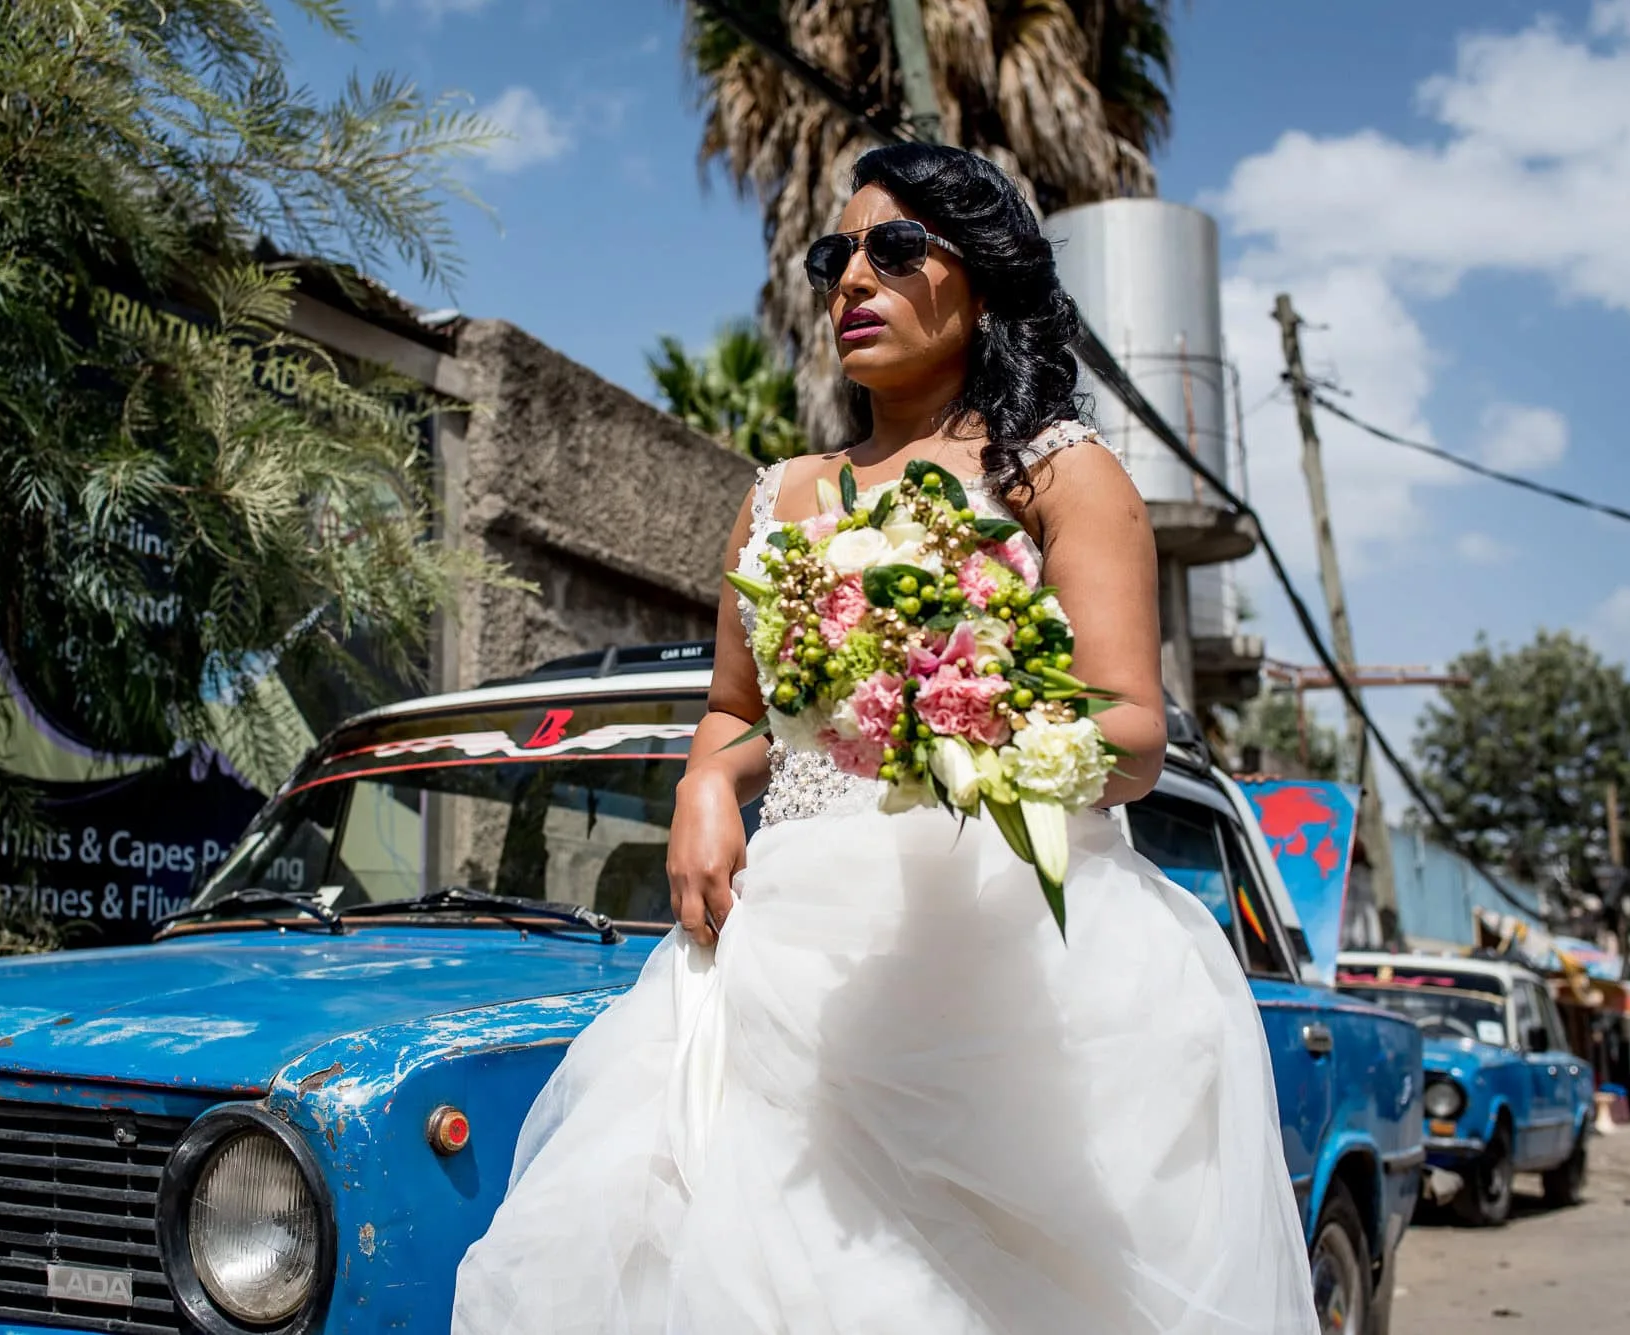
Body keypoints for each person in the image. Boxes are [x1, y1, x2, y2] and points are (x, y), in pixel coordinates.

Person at [452, 143, 1315, 1333]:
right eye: (834, 257)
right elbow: (738, 710)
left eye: (895, 248)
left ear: (981, 279)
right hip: (785, 965)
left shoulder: (1060, 477)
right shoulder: (777, 497)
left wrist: (970, 717)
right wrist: (703, 786)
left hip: (1014, 972)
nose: (853, 279)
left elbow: (1131, 731)